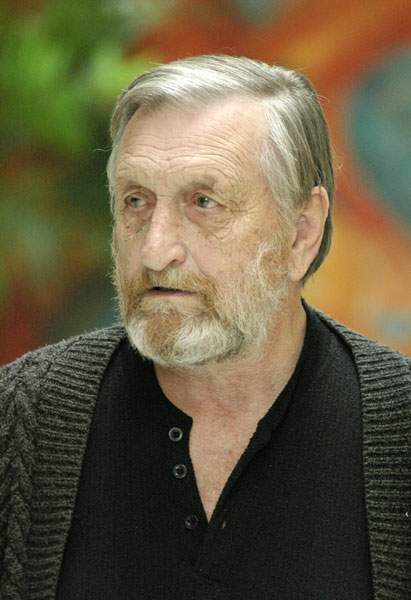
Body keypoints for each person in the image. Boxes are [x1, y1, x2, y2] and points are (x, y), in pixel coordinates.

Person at [0, 55, 410, 600]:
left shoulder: (399, 428)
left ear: (301, 232)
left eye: (203, 202)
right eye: (136, 202)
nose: (155, 251)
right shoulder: (19, 418)